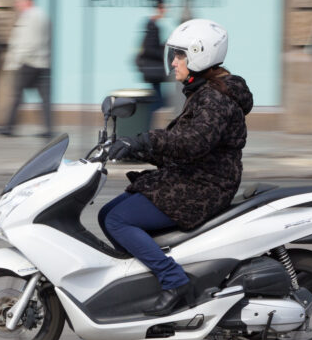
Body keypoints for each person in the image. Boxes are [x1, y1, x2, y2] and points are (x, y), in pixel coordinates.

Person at [99, 19, 254, 316]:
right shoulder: (205, 92)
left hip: (204, 187)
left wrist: (145, 140)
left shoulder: (216, 98)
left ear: (200, 55)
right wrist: (132, 148)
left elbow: (193, 142)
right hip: (194, 178)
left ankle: (174, 280)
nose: (173, 62)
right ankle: (149, 278)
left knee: (117, 219)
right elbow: (182, 147)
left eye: (179, 55)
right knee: (108, 213)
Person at [0, 0, 52, 139]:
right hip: (42, 62)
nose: (16, 5)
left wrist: (17, 60)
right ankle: (48, 128)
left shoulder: (30, 16)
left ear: (27, 1)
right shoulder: (42, 15)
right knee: (44, 98)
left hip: (29, 62)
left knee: (16, 95)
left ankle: (9, 127)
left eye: (18, 1)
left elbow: (28, 42)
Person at [136, 0, 168, 125]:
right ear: (158, 9)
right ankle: (144, 123)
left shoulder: (152, 25)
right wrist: (163, 51)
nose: (165, 11)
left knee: (158, 99)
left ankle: (146, 124)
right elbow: (149, 49)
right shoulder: (153, 26)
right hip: (154, 69)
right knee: (158, 101)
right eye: (163, 8)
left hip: (153, 69)